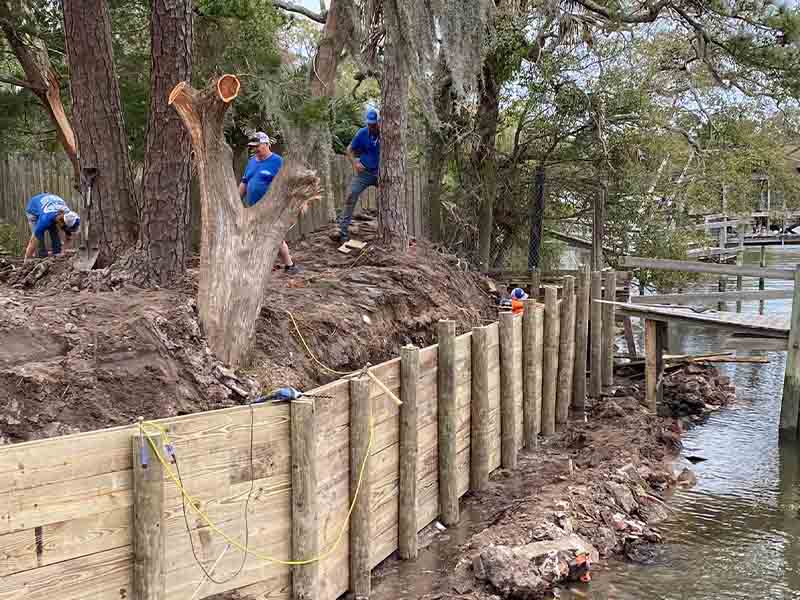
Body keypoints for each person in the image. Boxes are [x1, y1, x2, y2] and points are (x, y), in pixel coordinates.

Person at [239, 131, 300, 275]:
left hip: (272, 208)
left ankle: (289, 265)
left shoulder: (278, 162)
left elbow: (288, 185)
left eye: (258, 146)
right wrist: (237, 200)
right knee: (255, 237)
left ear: (267, 144)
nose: (255, 150)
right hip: (253, 208)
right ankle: (261, 265)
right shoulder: (252, 162)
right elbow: (244, 182)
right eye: (253, 147)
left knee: (275, 236)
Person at [338, 108, 380, 243]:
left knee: (387, 202)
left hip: (382, 174)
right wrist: (355, 163)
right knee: (351, 195)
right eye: (369, 124)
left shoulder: (387, 133)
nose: (371, 127)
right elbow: (349, 149)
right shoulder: (362, 133)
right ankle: (342, 231)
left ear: (379, 122)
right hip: (365, 173)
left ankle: (386, 231)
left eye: (373, 124)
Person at [24, 192, 80, 261]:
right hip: (33, 209)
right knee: (39, 240)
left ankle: (56, 254)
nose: (66, 230)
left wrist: (62, 253)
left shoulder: (68, 215)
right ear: (61, 221)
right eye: (66, 228)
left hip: (50, 205)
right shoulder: (45, 220)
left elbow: (69, 237)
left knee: (55, 237)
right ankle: (41, 257)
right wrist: (26, 260)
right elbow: (33, 241)